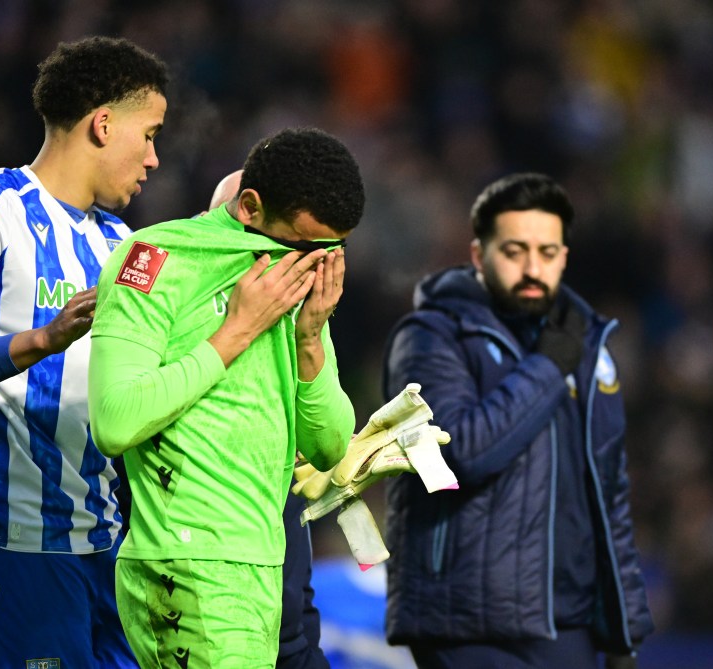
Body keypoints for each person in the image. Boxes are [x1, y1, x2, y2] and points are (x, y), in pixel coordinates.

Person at [0, 36, 169, 668]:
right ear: (104, 124)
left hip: (106, 539)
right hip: (8, 535)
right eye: (150, 135)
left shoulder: (123, 244)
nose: (154, 158)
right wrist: (42, 340)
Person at [88, 126, 365, 668]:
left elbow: (330, 447)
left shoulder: (295, 278)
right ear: (250, 207)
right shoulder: (156, 259)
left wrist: (310, 339)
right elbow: (114, 422)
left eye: (334, 250)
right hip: (184, 561)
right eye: (306, 245)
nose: (319, 264)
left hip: (263, 564)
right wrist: (237, 331)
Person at [381, 172, 653, 669]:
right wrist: (547, 369)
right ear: (479, 255)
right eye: (514, 251)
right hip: (468, 625)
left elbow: (608, 494)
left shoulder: (587, 348)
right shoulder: (429, 337)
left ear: (564, 257)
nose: (532, 268)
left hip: (567, 624)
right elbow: (456, 455)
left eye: (547, 253)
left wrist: (623, 631)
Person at [208, 169, 332, 669]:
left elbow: (327, 447)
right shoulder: (175, 332)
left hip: (291, 632)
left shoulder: (302, 326)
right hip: (213, 627)